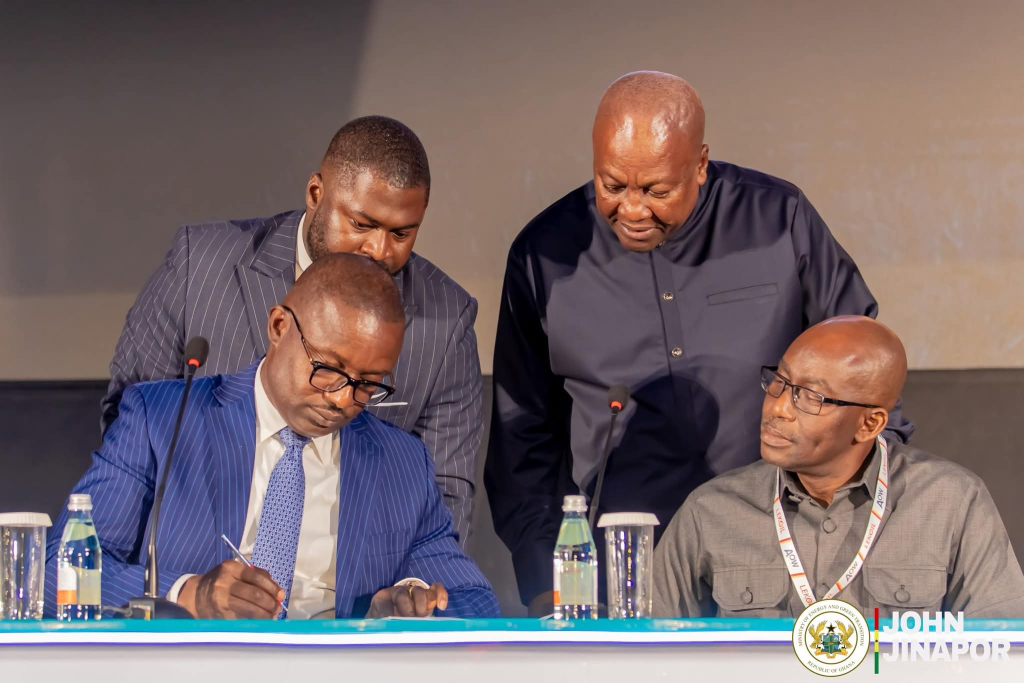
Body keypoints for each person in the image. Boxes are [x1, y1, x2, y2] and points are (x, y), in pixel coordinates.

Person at [485, 71, 913, 614]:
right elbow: (521, 440)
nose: (632, 209)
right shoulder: (543, 255)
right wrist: (546, 583)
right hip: (623, 569)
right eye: (611, 186)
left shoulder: (779, 220)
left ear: (701, 163)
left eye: (656, 191)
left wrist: (862, 526)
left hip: (786, 560)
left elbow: (866, 372)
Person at [45, 253, 499, 619]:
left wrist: (409, 604)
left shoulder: (400, 462)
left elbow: (476, 602)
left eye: (368, 383)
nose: (343, 400)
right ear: (279, 327)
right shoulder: (163, 420)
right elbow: (57, 572)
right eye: (328, 369)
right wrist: (189, 595)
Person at [104, 116, 482, 546]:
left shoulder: (445, 322)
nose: (379, 250)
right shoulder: (202, 267)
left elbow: (444, 498)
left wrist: (408, 583)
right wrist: (176, 573)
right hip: (193, 565)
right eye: (362, 225)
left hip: (348, 581)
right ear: (316, 194)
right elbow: (128, 425)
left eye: (401, 233)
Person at [653, 316, 1024, 618]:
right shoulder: (710, 509)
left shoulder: (951, 501)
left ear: (869, 424)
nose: (777, 407)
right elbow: (649, 650)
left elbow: (1000, 649)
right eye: (779, 382)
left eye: (809, 396)